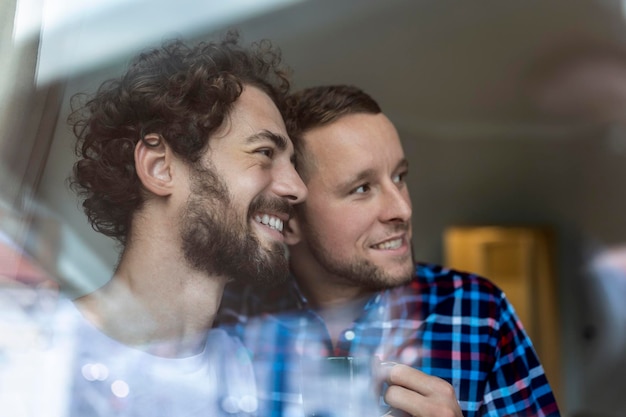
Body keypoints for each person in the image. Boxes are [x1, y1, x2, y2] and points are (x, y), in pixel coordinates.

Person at [0, 33, 306, 416]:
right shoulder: (36, 359)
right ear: (160, 168)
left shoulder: (258, 381)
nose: (298, 188)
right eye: (264, 152)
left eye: (292, 164)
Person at [218, 85, 561, 417]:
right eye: (362, 188)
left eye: (399, 177)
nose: (402, 209)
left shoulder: (478, 313)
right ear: (290, 221)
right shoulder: (227, 320)